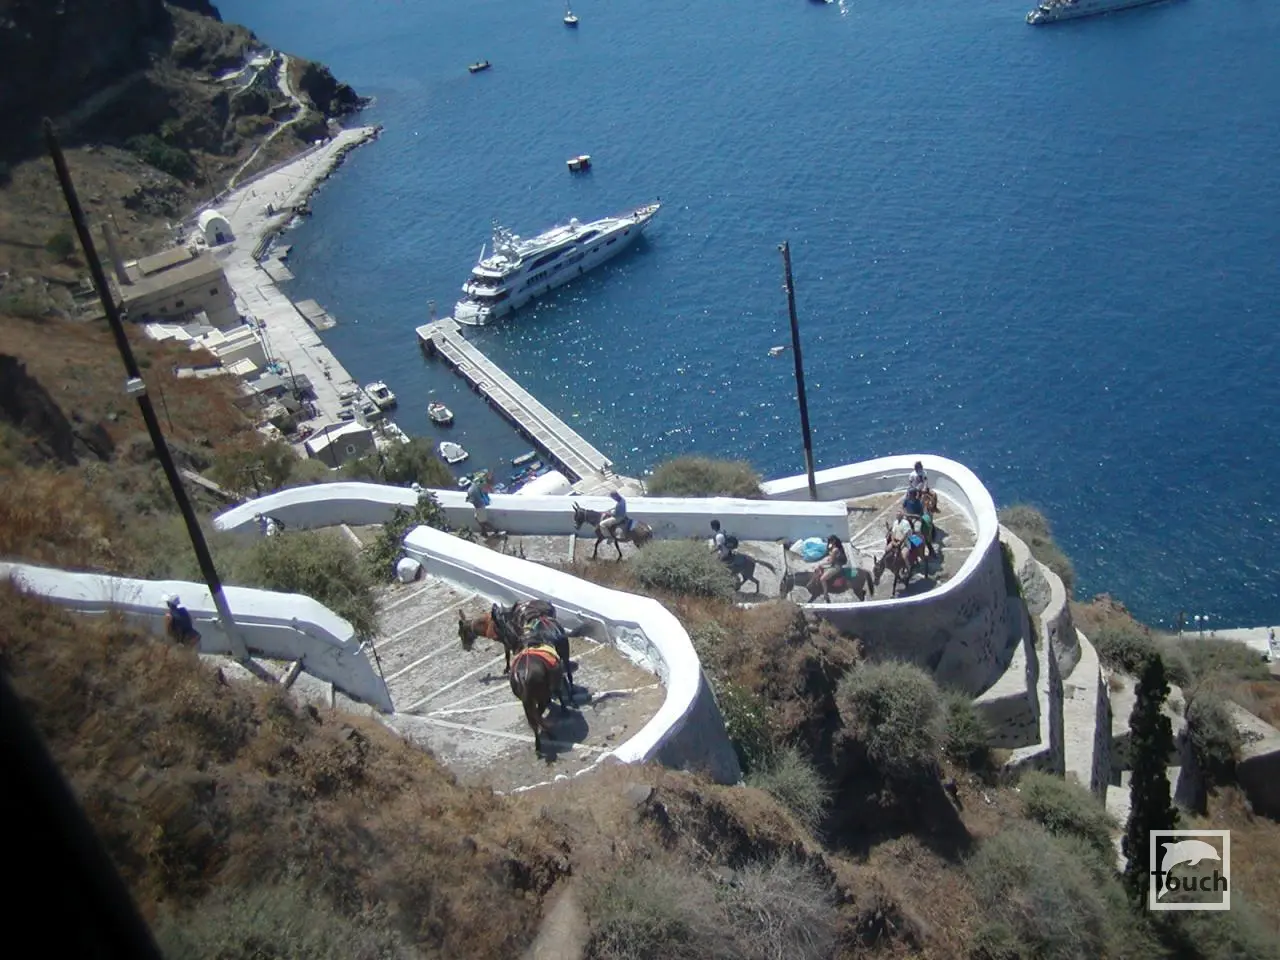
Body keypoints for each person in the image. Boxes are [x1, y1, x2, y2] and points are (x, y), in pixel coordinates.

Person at [814, 534, 848, 600]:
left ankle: (825, 594)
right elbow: (831, 556)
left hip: (836, 567)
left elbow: (830, 562)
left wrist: (820, 564)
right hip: (834, 564)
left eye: (829, 541)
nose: (828, 542)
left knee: (822, 579)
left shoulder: (835, 549)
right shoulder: (834, 547)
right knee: (819, 569)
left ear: (833, 541)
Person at [466, 471, 498, 537]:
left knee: (482, 521)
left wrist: (469, 499)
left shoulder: (470, 490)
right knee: (479, 519)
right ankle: (484, 532)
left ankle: (494, 530)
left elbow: (472, 500)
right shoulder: (475, 485)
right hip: (481, 505)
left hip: (479, 506)